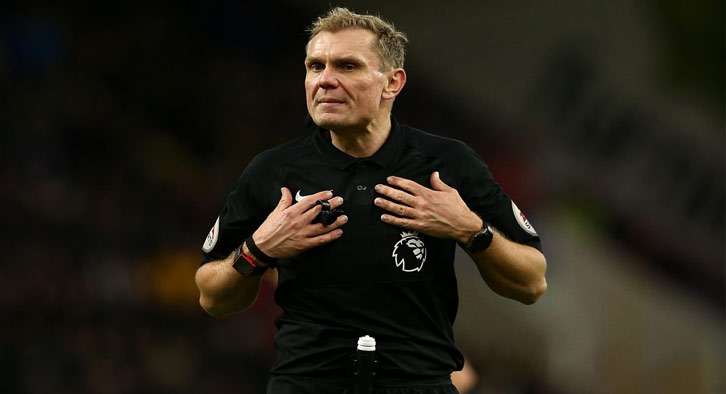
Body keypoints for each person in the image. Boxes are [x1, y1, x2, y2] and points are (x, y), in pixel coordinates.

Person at [195, 7, 547, 394]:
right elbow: (212, 297)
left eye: (347, 66)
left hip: (418, 385)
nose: (325, 80)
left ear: (392, 83)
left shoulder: (448, 164)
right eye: (315, 66)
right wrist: (258, 249)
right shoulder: (274, 172)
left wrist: (470, 229)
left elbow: (531, 283)